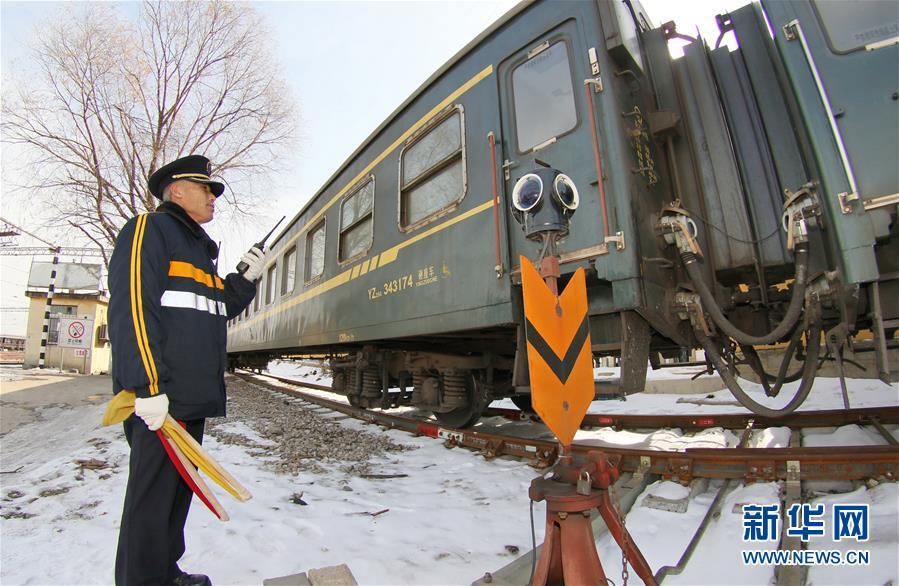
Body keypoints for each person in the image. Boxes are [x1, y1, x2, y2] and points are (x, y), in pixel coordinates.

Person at [109, 155, 267, 586]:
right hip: (162, 396)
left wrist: (245, 278)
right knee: (151, 500)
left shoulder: (197, 253)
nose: (214, 196)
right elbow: (133, 309)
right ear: (176, 190)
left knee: (176, 495)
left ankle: (164, 572)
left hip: (188, 396)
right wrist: (146, 386)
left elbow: (218, 306)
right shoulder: (150, 229)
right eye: (206, 188)